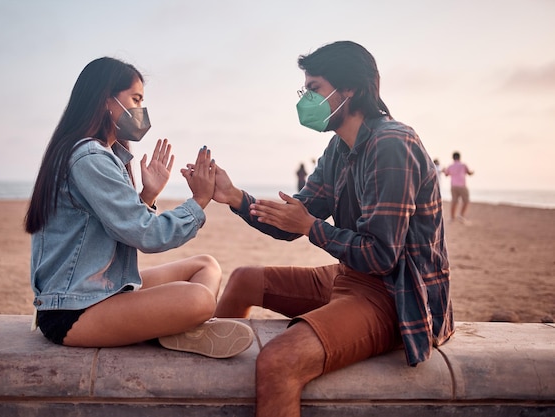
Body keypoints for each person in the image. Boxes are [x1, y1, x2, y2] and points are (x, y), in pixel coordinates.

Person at [210, 41, 454, 416]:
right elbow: (292, 221)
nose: (306, 100)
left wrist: (311, 227)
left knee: (279, 360)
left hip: (397, 293)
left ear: (350, 89)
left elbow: (381, 255)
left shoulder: (391, 145)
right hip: (351, 276)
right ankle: (210, 387)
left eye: (314, 89)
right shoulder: (338, 150)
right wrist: (235, 197)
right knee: (243, 279)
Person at [24, 57, 253, 358]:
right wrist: (198, 202)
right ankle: (175, 328)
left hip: (106, 289)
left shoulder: (101, 154)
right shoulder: (89, 157)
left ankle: (175, 330)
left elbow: (116, 228)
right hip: (73, 310)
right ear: (107, 100)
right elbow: (147, 235)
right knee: (199, 300)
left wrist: (147, 194)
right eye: (136, 99)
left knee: (206, 266)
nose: (141, 110)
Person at [443, 151, 474, 222]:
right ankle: (461, 215)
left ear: (453, 158)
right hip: (462, 185)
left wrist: (444, 170)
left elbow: (446, 174)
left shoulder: (450, 166)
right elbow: (469, 173)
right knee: (466, 200)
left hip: (453, 186)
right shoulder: (463, 165)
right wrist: (472, 172)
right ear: (460, 157)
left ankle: (452, 217)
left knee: (454, 201)